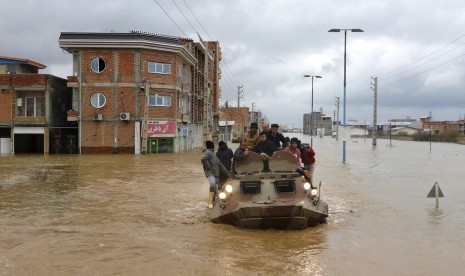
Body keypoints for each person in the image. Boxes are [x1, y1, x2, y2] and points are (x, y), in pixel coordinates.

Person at [201, 140, 229, 209]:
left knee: (216, 188)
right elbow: (203, 159)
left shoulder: (213, 154)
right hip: (210, 174)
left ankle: (215, 202)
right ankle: (210, 203)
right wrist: (209, 167)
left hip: (216, 174)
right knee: (213, 184)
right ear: (212, 146)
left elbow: (220, 164)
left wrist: (227, 173)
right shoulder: (208, 152)